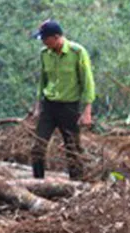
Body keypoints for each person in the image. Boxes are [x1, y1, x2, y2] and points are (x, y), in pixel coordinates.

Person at [31, 19, 95, 180]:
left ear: (56, 37)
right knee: (38, 146)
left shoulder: (77, 52)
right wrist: (38, 105)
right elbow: (42, 81)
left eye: (46, 38)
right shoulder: (44, 54)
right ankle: (38, 182)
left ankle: (76, 183)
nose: (44, 42)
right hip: (49, 106)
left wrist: (87, 111)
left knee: (72, 148)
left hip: (69, 107)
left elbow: (87, 82)